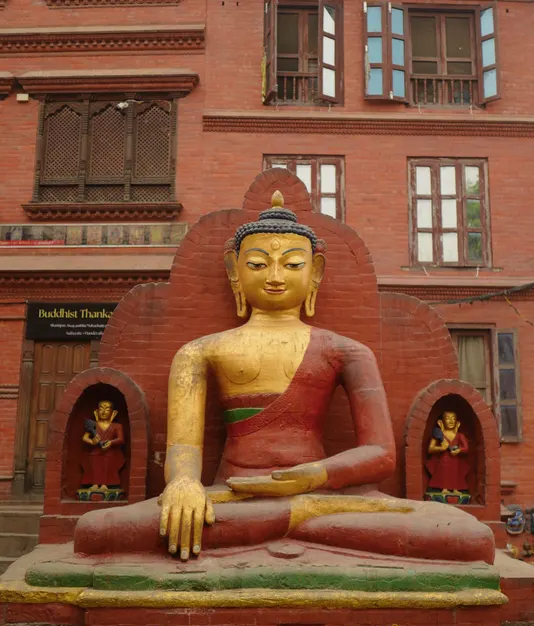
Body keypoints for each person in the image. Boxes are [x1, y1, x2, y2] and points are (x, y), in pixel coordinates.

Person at [74, 193, 494, 565]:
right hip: (233, 498)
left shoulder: (346, 350)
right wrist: (183, 484)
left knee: (466, 536)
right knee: (97, 531)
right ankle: (295, 527)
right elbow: (184, 450)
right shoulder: (199, 352)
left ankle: (287, 523)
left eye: (292, 264)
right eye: (258, 264)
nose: (275, 275)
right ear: (234, 270)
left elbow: (381, 455)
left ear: (315, 272)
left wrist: (313, 477)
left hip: (324, 497)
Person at [80, 400, 125, 491]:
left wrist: (110, 442)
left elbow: (121, 439)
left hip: (109, 451)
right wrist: (92, 441)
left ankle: (105, 484)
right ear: (96, 412)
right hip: (96, 450)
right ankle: (95, 483)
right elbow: (85, 437)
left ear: (113, 413)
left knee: (107, 464)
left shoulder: (117, 426)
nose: (104, 412)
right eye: (101, 409)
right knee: (95, 465)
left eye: (107, 409)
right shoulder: (93, 425)